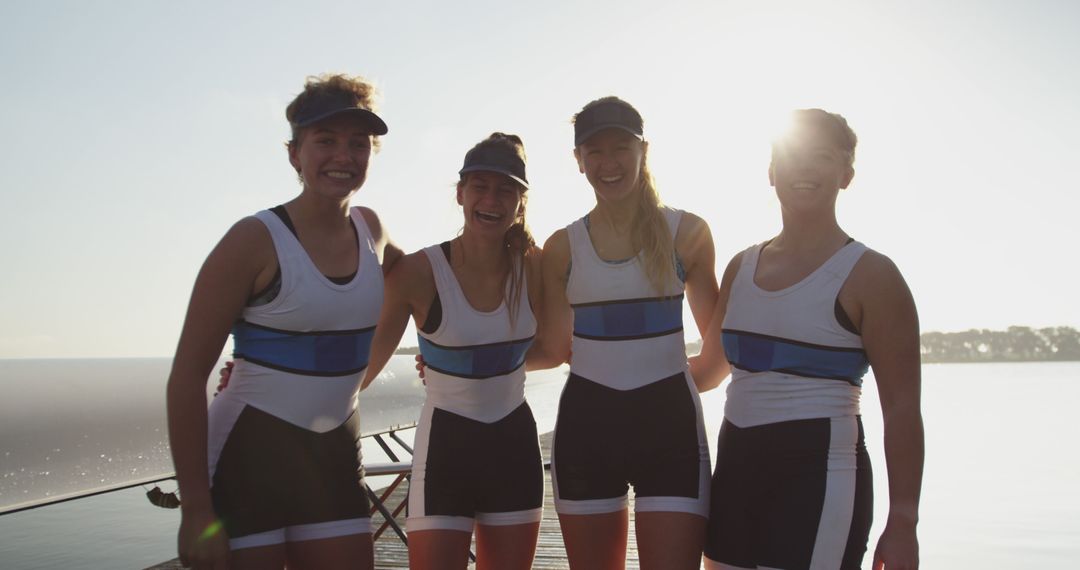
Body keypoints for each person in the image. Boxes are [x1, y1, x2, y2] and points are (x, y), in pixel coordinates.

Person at [166, 73, 401, 570]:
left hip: (334, 463)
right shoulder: (252, 241)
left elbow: (425, 279)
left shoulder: (372, 230)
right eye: (325, 141)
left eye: (358, 144)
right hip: (247, 463)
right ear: (294, 153)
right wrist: (195, 511)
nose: (344, 155)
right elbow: (187, 378)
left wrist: (373, 375)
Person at [692, 109, 924, 570]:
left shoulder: (872, 275)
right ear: (771, 172)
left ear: (846, 174)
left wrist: (903, 523)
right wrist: (610, 364)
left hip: (821, 486)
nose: (805, 169)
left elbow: (901, 409)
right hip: (735, 480)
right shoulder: (741, 266)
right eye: (793, 156)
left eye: (822, 157)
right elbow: (709, 370)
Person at [539, 96, 719, 569]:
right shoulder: (562, 248)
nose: (608, 163)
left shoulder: (688, 234)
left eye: (621, 148)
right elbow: (554, 347)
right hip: (586, 433)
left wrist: (667, 385)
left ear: (644, 151)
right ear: (578, 161)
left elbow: (719, 356)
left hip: (672, 434)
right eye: (594, 151)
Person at [362, 133, 550, 570]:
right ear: (460, 192)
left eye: (506, 189)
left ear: (521, 201)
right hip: (445, 450)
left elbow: (559, 347)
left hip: (514, 448)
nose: (491, 199)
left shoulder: (537, 268)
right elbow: (361, 369)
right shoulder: (417, 273)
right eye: (480, 186)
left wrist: (467, 363)